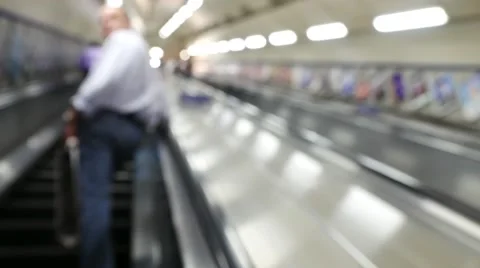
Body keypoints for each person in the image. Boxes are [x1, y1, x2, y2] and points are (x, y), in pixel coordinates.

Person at [64, 5, 168, 268]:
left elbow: (100, 82)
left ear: (126, 21)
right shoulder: (141, 47)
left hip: (103, 128)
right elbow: (157, 94)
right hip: (133, 130)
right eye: (103, 21)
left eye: (112, 19)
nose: (107, 25)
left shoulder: (120, 41)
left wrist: (75, 110)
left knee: (94, 198)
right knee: (102, 189)